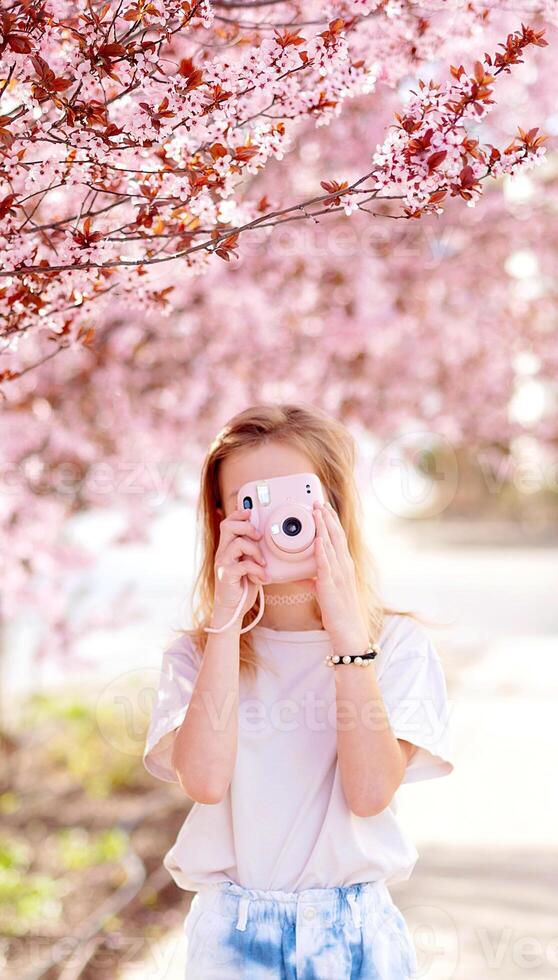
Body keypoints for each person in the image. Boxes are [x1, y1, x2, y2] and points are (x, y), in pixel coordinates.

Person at [143, 402, 454, 979]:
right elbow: (206, 782)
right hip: (233, 940)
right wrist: (226, 620)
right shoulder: (196, 654)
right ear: (220, 517)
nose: (279, 523)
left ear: (334, 507)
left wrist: (344, 629)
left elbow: (369, 794)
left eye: (297, 502)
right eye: (252, 504)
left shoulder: (398, 645)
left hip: (357, 937)